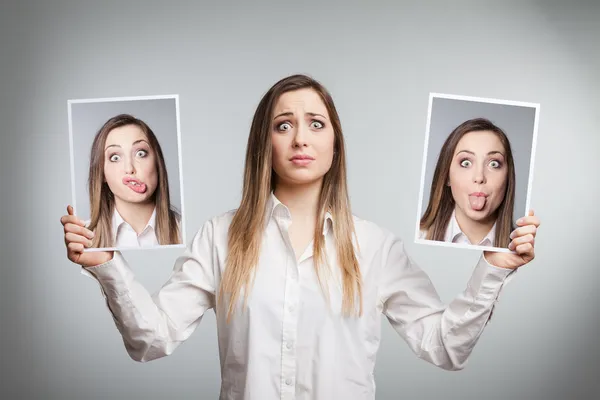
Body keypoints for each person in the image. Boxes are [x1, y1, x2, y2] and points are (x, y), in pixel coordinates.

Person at [60, 75, 540, 400]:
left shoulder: (375, 247)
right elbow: (152, 340)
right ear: (263, 144)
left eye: (316, 124)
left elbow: (444, 348)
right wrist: (109, 266)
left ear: (334, 143)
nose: (300, 139)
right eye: (283, 125)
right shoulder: (220, 237)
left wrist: (492, 270)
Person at [83, 113, 182, 249]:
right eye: (115, 157)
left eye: (140, 153)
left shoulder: (188, 231)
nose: (129, 168)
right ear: (102, 174)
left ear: (157, 163)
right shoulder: (83, 240)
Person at [419, 118, 516, 248]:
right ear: (447, 175)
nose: (479, 177)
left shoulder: (523, 249)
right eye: (466, 163)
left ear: (508, 177)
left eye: (494, 164)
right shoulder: (418, 237)